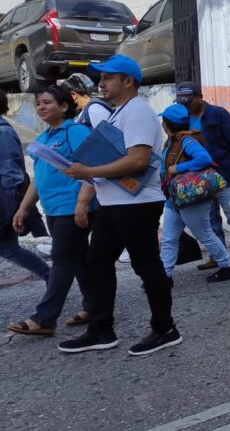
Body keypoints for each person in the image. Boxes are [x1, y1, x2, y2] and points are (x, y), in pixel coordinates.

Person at [60, 55, 180, 356]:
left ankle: (165, 329)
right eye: (100, 78)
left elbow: (137, 160)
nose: (100, 83)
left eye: (108, 77)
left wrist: (88, 172)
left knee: (147, 266)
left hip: (137, 205)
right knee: (97, 264)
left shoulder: (137, 111)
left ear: (128, 81)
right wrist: (86, 193)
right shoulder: (117, 113)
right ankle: (101, 329)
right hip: (114, 204)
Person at [7, 86, 96, 337]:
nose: (41, 107)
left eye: (47, 102)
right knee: (78, 258)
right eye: (38, 104)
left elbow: (91, 167)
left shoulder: (75, 131)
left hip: (73, 206)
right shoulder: (44, 138)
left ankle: (45, 319)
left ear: (64, 107)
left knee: (62, 259)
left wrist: (83, 202)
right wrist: (24, 208)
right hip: (53, 208)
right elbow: (38, 179)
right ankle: (94, 307)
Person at [174, 82, 230, 270]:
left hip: (226, 174)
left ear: (200, 96)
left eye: (189, 101)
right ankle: (217, 256)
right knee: (210, 219)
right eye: (182, 102)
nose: (185, 105)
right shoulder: (182, 119)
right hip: (199, 180)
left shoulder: (218, 114)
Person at [157, 103, 230, 283]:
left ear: (167, 124)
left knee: (205, 234)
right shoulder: (173, 141)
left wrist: (179, 167)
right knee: (169, 238)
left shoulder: (186, 141)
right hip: (175, 197)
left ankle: (227, 266)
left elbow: (205, 159)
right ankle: (164, 277)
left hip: (191, 197)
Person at [0, 89, 50, 286]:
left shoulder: (2, 133)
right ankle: (51, 277)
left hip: (4, 203)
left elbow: (11, 176)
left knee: (8, 249)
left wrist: (10, 212)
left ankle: (51, 277)